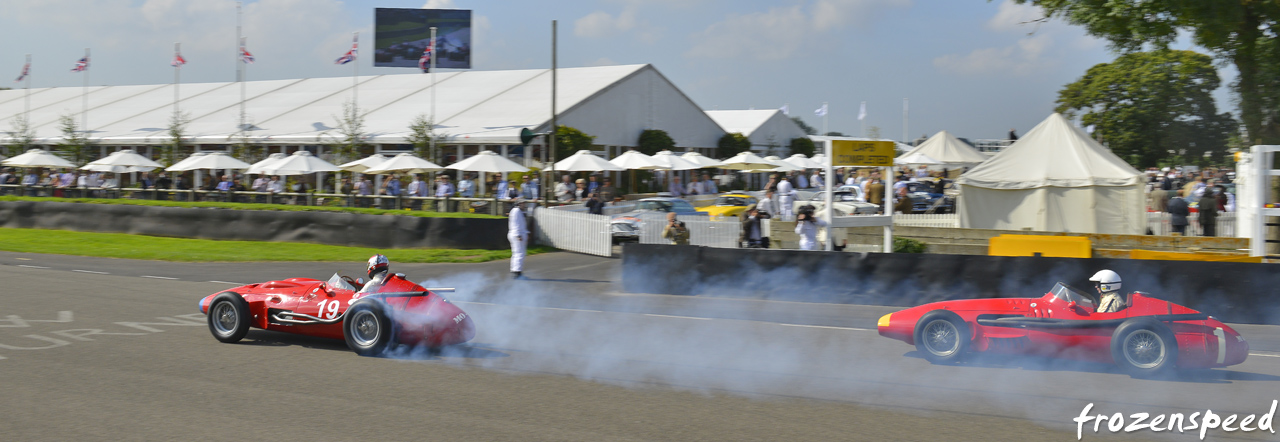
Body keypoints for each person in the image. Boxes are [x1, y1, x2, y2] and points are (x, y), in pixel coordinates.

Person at [508, 198, 529, 278]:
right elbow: (515, 224)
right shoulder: (516, 211)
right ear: (518, 204)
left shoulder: (518, 211)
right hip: (517, 234)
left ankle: (515, 269)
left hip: (517, 234)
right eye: (522, 203)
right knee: (519, 253)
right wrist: (518, 235)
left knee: (517, 253)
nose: (524, 205)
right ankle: (517, 272)